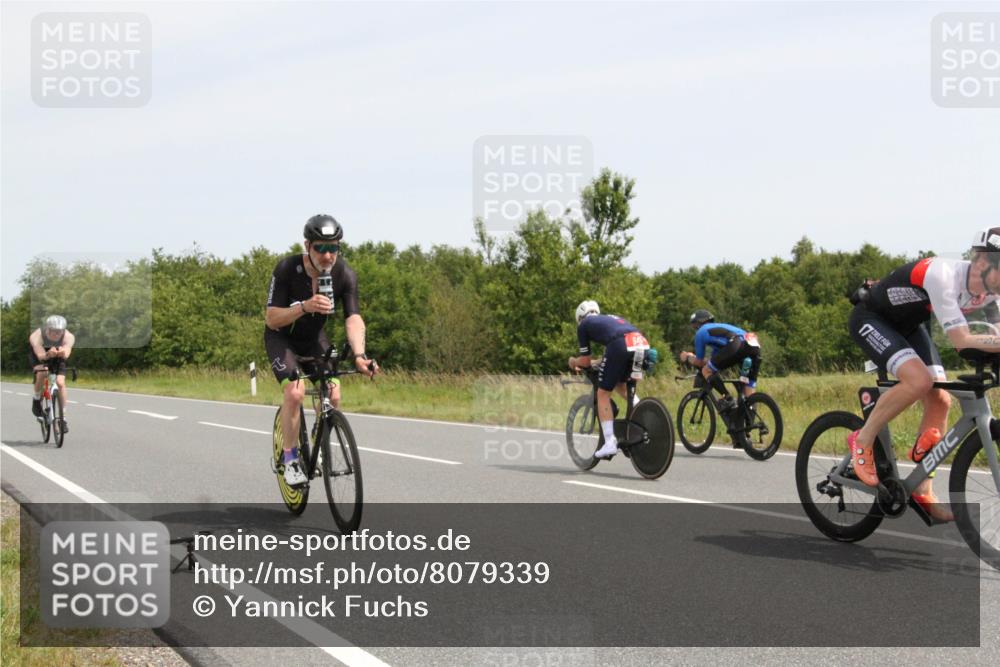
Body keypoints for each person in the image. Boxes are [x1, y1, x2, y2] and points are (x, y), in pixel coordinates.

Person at [846, 229, 1000, 522]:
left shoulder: (990, 293)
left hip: (909, 325)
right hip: (872, 319)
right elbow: (962, 340)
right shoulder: (943, 276)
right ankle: (862, 440)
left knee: (940, 399)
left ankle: (922, 490)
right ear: (982, 263)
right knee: (919, 381)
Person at [265, 214, 378, 486]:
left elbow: (354, 318)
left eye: (334, 248)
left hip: (314, 340)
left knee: (334, 394)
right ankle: (290, 458)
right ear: (307, 246)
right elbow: (271, 318)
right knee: (295, 391)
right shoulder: (286, 269)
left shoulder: (344, 274)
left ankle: (317, 443)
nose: (328, 256)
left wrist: (361, 355)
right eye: (321, 248)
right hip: (282, 340)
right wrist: (304, 307)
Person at [567, 301, 651, 459]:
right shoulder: (610, 320)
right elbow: (612, 354)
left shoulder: (583, 325)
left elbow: (585, 361)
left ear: (579, 318)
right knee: (623, 386)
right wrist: (599, 362)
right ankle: (644, 419)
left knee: (603, 394)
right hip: (641, 345)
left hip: (621, 345)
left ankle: (610, 443)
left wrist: (573, 362)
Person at [679, 310, 761, 412]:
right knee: (749, 392)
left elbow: (699, 362)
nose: (695, 329)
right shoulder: (720, 333)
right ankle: (750, 423)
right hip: (753, 344)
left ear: (699, 323)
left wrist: (687, 357)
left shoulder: (701, 332)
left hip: (736, 343)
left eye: (694, 326)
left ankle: (727, 397)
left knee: (706, 371)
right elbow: (711, 363)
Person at [29, 315, 75, 432]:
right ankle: (36, 399)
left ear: (63, 331)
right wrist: (48, 354)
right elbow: (40, 355)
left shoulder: (68, 336)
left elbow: (67, 351)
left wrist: (63, 353)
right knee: (43, 372)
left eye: (59, 332)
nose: (55, 334)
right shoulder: (37, 336)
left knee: (60, 382)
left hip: (58, 355)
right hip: (40, 355)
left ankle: (63, 418)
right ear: (47, 329)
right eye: (53, 331)